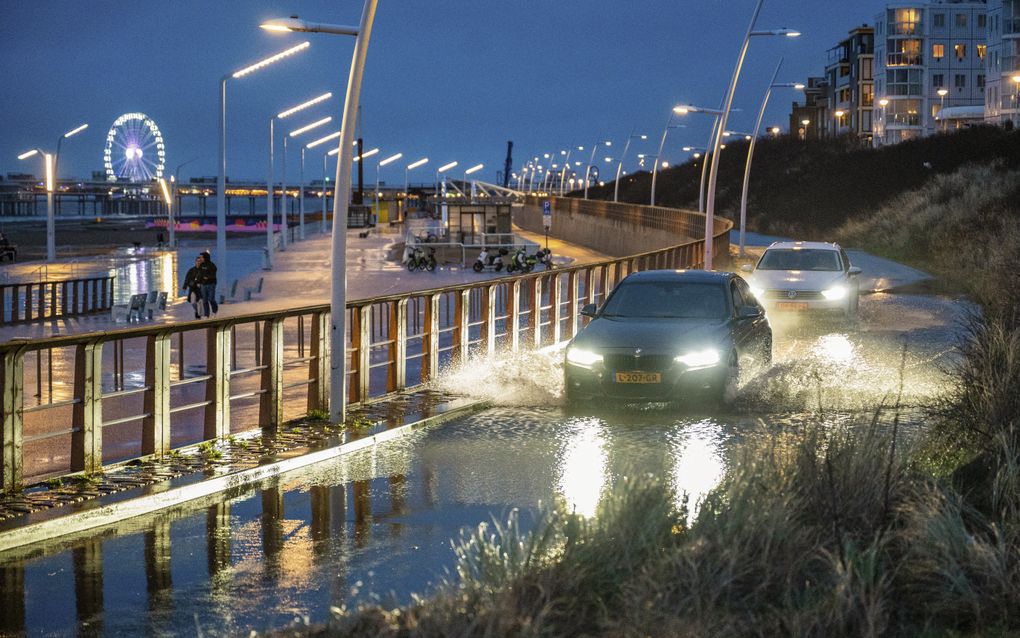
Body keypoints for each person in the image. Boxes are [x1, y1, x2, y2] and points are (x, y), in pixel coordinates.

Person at [198, 251, 219, 318]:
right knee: (205, 300)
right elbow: (200, 274)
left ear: (205, 258)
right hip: (203, 285)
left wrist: (207, 277)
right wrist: (198, 281)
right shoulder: (201, 265)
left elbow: (213, 274)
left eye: (201, 257)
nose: (200, 258)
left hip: (211, 284)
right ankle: (207, 315)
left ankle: (214, 311)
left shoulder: (212, 265)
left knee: (211, 299)